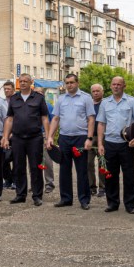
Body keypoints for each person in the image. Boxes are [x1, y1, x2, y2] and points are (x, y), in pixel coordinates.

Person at [95, 77, 134, 213]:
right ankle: (112, 203)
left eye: (119, 84)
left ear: (124, 86)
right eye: (114, 84)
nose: (116, 87)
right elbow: (101, 124)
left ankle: (130, 204)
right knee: (110, 175)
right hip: (110, 143)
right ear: (110, 86)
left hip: (126, 144)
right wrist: (100, 144)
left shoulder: (131, 102)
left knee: (129, 175)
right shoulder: (105, 103)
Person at [2, 73, 49, 206]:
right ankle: (20, 194)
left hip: (35, 138)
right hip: (17, 138)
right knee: (18, 167)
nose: (22, 83)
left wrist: (48, 136)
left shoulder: (38, 98)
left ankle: (37, 196)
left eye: (25, 81)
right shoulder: (14, 99)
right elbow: (9, 119)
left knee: (35, 167)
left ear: (30, 83)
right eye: (20, 81)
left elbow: (44, 118)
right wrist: (5, 137)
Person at [49, 73, 95, 210]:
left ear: (77, 83)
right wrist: (50, 136)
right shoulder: (61, 99)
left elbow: (91, 119)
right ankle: (66, 198)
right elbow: (56, 119)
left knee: (82, 170)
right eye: (67, 83)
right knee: (64, 170)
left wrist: (89, 138)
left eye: (72, 82)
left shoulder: (86, 98)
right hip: (64, 138)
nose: (69, 85)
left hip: (80, 138)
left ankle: (84, 199)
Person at [35, 86, 56, 193]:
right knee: (34, 161)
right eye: (36, 93)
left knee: (47, 161)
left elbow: (54, 122)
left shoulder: (49, 106)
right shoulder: (32, 105)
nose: (38, 95)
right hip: (33, 135)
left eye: (40, 93)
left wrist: (50, 137)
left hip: (45, 135)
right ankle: (35, 183)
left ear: (43, 95)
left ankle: (49, 184)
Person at [88, 83, 106, 198]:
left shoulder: (106, 104)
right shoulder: (88, 104)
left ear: (102, 92)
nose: (95, 93)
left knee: (102, 163)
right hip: (89, 137)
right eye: (93, 91)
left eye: (98, 91)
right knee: (88, 163)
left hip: (103, 137)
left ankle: (103, 187)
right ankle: (91, 187)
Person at [1, 81, 16, 189]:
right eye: (5, 89)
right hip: (3, 134)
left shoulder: (17, 101)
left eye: (8, 89)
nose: (6, 91)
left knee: (16, 159)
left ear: (13, 89)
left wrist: (13, 132)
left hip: (15, 135)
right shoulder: (1, 102)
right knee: (3, 159)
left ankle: (15, 180)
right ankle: (8, 179)